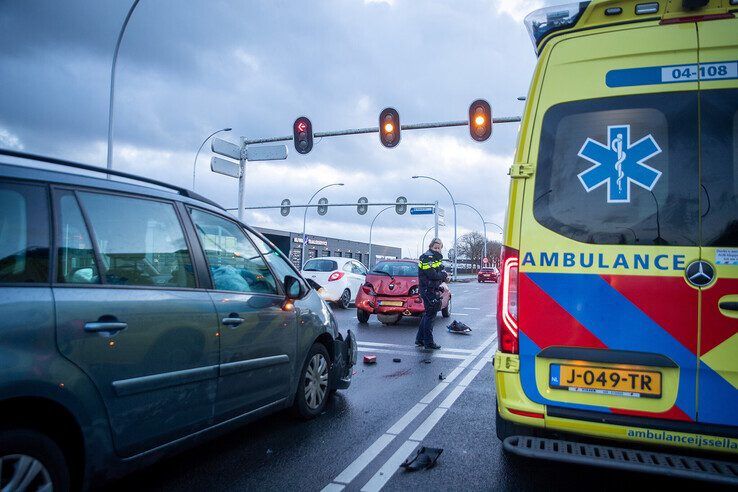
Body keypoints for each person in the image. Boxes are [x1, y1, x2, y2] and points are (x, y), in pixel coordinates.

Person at [416, 238, 448, 350]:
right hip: (427, 290)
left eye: (439, 248)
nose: (437, 250)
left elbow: (435, 274)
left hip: (430, 288)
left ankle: (420, 339)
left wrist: (438, 285)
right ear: (431, 247)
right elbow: (432, 275)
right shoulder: (428, 258)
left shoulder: (434, 257)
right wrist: (443, 275)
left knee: (427, 314)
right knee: (431, 315)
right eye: (435, 247)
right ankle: (428, 342)